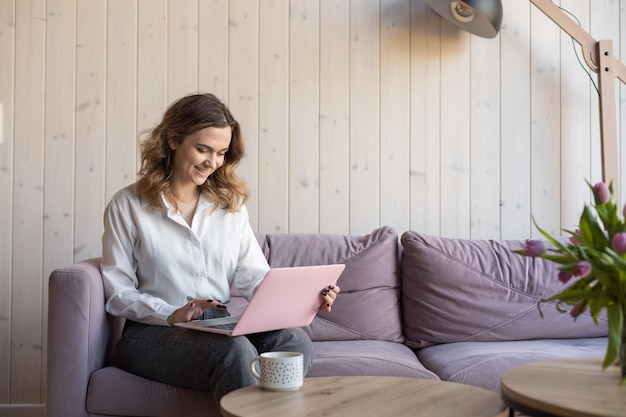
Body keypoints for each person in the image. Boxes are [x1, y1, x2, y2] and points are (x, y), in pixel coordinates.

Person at [100, 93, 340, 411]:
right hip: (152, 333)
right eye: (203, 149)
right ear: (173, 139)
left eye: (221, 153)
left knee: (293, 341)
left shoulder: (230, 207)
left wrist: (305, 298)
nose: (212, 162)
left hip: (216, 326)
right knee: (235, 352)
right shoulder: (127, 204)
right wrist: (171, 314)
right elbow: (118, 293)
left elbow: (253, 276)